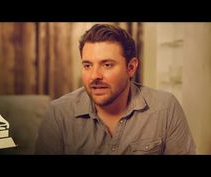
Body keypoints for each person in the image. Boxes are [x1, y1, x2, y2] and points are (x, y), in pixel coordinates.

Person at [35, 24, 196, 155]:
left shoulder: (165, 108)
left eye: (107, 65)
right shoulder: (58, 114)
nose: (94, 76)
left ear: (131, 67)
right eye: (87, 65)